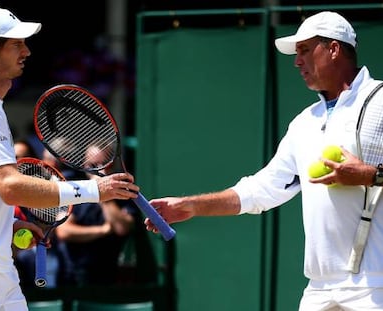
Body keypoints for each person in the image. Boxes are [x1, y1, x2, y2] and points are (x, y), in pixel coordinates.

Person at [145, 11, 383, 310]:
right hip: (320, 288)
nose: (297, 62)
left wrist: (372, 175)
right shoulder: (305, 122)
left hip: (376, 285)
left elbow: (373, 175)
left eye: (305, 51)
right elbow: (262, 190)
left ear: (334, 49)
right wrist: (190, 205)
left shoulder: (380, 100)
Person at [0, 6, 139, 311]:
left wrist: (8, 225)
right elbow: (9, 186)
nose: (27, 52)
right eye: (16, 44)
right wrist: (95, 191)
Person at [55, 143, 137, 286]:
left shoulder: (124, 192)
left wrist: (104, 197)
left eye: (105, 164)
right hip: (71, 275)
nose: (99, 170)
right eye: (93, 165)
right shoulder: (73, 188)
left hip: (108, 276)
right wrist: (103, 230)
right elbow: (64, 231)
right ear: (84, 165)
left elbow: (122, 228)